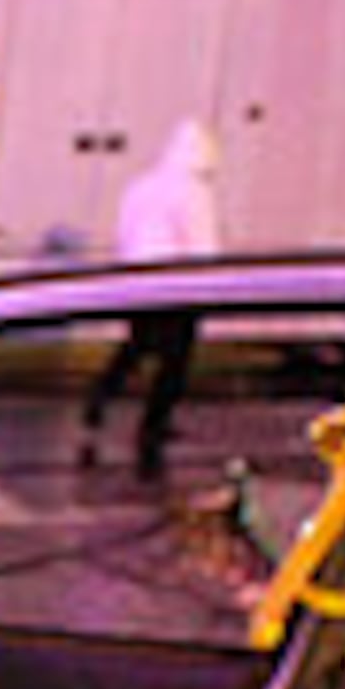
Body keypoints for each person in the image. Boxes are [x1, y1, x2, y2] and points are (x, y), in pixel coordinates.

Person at [84, 116, 221, 478]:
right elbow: (201, 243)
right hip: (177, 284)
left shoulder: (142, 185)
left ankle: (99, 400)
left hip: (138, 280)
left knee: (137, 346)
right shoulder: (194, 191)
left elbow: (124, 231)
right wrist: (211, 286)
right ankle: (154, 424)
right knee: (174, 362)